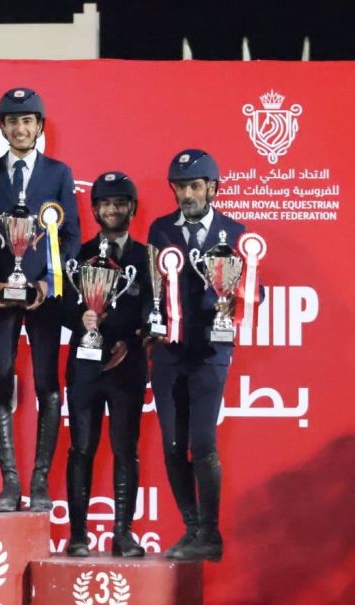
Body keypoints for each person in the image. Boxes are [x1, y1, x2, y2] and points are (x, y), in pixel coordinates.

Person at [0, 88, 80, 512]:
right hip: (1, 295)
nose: (20, 128)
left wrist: (50, 282)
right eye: (13, 121)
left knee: (46, 383)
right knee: (1, 379)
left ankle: (39, 481)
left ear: (39, 127)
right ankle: (9, 483)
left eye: (27, 121)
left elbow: (70, 236)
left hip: (44, 298)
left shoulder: (59, 173)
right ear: (2, 127)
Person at [148, 149, 251, 562]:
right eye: (179, 186)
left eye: (194, 186)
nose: (186, 194)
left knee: (202, 442)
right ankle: (191, 530)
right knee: (173, 444)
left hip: (211, 351)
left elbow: (255, 290)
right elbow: (154, 288)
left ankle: (210, 533)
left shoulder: (235, 232)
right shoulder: (160, 230)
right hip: (168, 353)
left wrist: (234, 299)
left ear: (212, 188)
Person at [63, 172, 149, 557]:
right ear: (95, 209)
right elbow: (62, 307)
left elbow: (156, 311)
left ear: (132, 208)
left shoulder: (147, 258)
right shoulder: (78, 255)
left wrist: (131, 340)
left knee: (125, 449)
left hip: (127, 367)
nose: (112, 210)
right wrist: (79, 318)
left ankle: (123, 535)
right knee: (81, 448)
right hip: (85, 367)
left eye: (120, 203)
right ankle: (78, 536)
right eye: (105, 204)